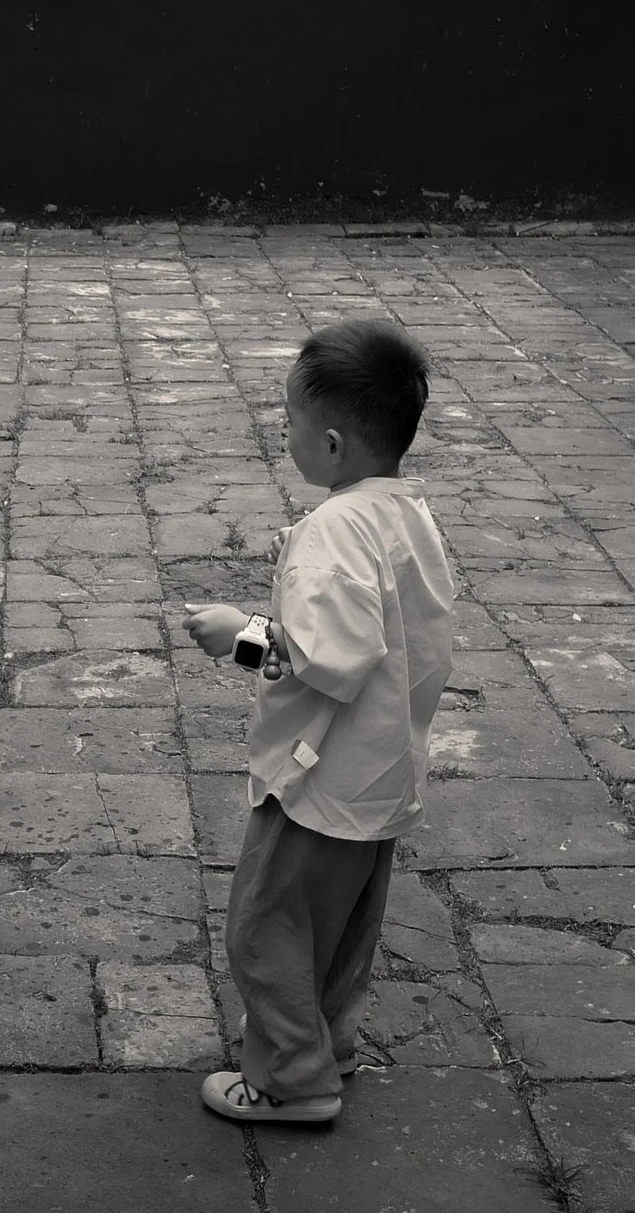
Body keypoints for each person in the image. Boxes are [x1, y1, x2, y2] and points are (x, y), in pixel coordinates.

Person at [181, 320, 455, 1123]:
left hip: (320, 777)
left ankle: (291, 1081)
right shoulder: (407, 512)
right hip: (380, 773)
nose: (284, 433)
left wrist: (239, 634)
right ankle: (329, 1045)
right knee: (337, 933)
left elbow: (328, 656)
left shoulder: (334, 530)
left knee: (266, 934)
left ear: (331, 444)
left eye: (289, 421)